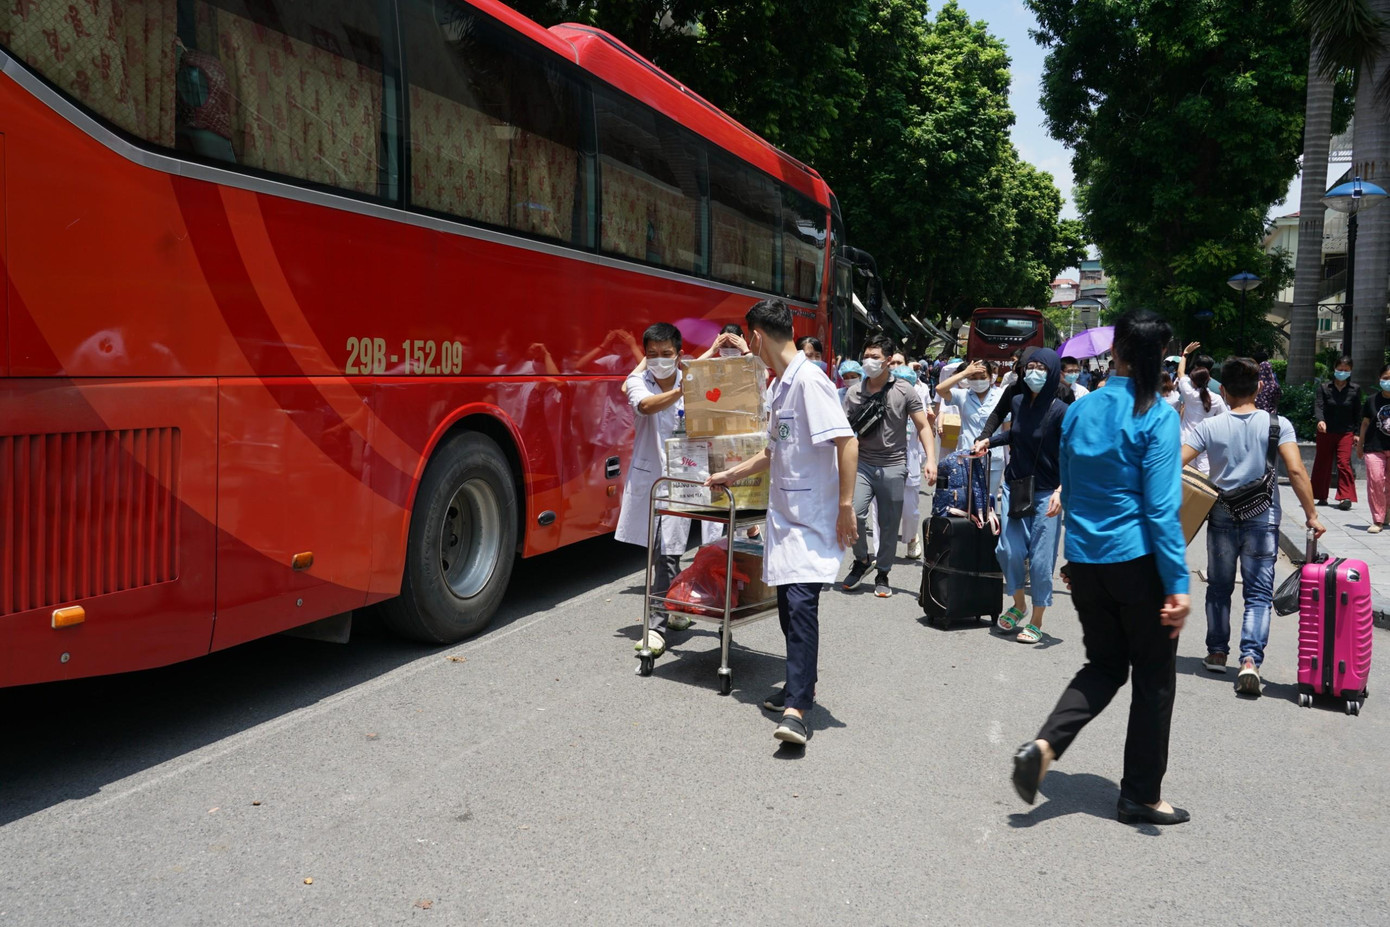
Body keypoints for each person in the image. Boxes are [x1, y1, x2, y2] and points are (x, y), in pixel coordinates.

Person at [1011, 309, 1192, 827]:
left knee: (1105, 666)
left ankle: (1046, 745)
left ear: (1115, 353)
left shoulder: (1079, 411)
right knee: (1153, 678)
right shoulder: (1157, 414)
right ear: (1160, 359)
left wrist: (1074, 558)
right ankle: (1140, 795)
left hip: (1088, 562)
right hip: (1138, 564)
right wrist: (1178, 583)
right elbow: (1160, 509)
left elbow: (1068, 490)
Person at [707, 298, 858, 747]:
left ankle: (798, 710)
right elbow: (773, 451)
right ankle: (798, 688)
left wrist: (846, 506)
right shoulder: (779, 387)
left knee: (800, 607)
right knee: (790, 611)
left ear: (754, 335)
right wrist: (730, 474)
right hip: (786, 519)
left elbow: (846, 443)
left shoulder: (810, 381)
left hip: (811, 520)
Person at [1183, 357, 1325, 693]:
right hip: (1263, 518)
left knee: (1218, 587)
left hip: (1221, 515)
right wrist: (1312, 515)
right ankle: (1249, 660)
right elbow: (1295, 470)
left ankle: (1217, 653)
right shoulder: (1279, 425)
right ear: (1259, 387)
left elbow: (1176, 462)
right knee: (1258, 594)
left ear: (1225, 391)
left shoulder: (1210, 427)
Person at [973, 349, 1066, 644]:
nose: (1033, 372)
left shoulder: (1062, 410)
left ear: (1051, 372)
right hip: (1015, 486)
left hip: (1046, 493)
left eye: (1041, 367)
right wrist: (990, 439)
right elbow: (1014, 434)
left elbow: (1072, 453)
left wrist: (1062, 490)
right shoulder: (1017, 400)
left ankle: (1037, 619)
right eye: (1030, 366)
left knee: (1040, 561)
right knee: (1007, 551)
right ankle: (1019, 604)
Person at [614, 322, 695, 656]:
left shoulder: (693, 379)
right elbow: (645, 407)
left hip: (689, 475)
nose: (660, 360)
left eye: (667, 354)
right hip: (654, 477)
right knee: (664, 550)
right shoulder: (638, 381)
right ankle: (659, 625)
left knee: (672, 550)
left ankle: (669, 613)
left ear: (678, 354)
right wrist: (681, 391)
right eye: (652, 354)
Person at [841, 335, 937, 596]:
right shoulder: (853, 393)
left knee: (888, 522)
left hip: (894, 465)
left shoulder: (904, 390)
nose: (869, 362)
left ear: (887, 361)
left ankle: (883, 572)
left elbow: (922, 426)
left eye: (875, 357)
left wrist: (931, 459)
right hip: (862, 464)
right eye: (866, 356)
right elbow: (843, 434)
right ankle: (861, 560)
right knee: (855, 514)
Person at [935, 358, 1005, 494]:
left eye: (982, 377)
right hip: (968, 455)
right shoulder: (962, 395)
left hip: (993, 457)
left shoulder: (1000, 396)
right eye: (973, 377)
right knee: (967, 499)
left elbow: (1006, 428)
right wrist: (963, 373)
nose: (978, 381)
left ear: (991, 377)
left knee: (988, 500)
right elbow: (940, 389)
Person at [1312, 355, 1363, 511]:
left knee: (1343, 463)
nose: (1342, 372)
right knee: (1323, 463)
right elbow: (1319, 406)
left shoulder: (1355, 389)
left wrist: (1357, 433)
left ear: (1350, 371)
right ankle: (1320, 495)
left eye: (1346, 370)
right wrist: (1320, 420)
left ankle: (1345, 497)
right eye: (1340, 369)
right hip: (1326, 431)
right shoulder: (1324, 387)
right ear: (1335, 369)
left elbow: (1357, 412)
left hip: (1346, 432)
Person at [1176, 343, 1229, 474]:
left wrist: (1185, 354)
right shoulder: (1217, 397)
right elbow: (1225, 418)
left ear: (1193, 380)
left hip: (1186, 439)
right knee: (1205, 475)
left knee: (1184, 474)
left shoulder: (1189, 393)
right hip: (1206, 441)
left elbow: (1180, 373)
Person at [893, 365, 929, 559]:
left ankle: (911, 538)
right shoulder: (885, 401)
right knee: (883, 511)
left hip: (911, 461)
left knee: (910, 511)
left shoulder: (917, 404)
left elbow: (923, 433)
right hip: (886, 461)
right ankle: (884, 549)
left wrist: (926, 460)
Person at [1254, 350, 1282, 414]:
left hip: (1256, 413)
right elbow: (1278, 398)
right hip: (1270, 416)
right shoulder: (1274, 384)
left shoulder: (1254, 382)